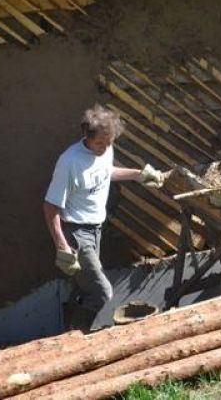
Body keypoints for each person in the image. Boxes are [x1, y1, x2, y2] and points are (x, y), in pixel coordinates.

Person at [43, 105, 167, 331]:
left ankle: (70, 334)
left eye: (109, 142)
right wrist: (61, 244)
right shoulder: (69, 162)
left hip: (96, 230)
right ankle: (76, 339)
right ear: (86, 136)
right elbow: (50, 205)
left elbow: (107, 172)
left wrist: (139, 175)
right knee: (101, 292)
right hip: (76, 232)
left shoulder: (106, 148)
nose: (105, 147)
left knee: (86, 289)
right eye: (100, 143)